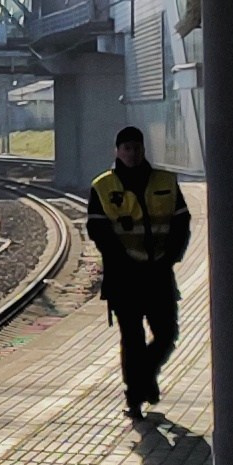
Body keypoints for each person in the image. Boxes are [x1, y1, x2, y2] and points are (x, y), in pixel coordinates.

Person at [87, 125, 191, 419]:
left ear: (143, 150)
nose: (132, 154)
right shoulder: (103, 186)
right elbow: (98, 231)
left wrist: (171, 257)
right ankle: (134, 397)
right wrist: (122, 260)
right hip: (123, 277)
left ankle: (144, 377)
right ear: (117, 151)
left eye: (137, 148)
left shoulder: (165, 182)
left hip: (159, 272)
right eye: (127, 148)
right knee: (131, 338)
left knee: (166, 333)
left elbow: (182, 223)